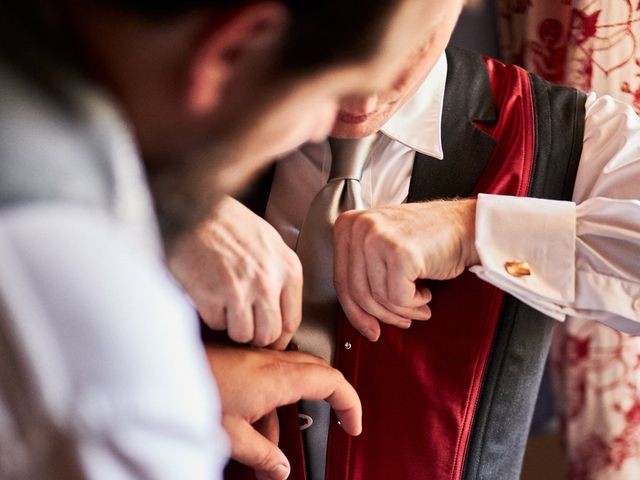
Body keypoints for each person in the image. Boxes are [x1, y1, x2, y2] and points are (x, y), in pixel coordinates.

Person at [174, 0, 640, 478]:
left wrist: (475, 231)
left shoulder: (565, 133)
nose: (362, 103)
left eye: (402, 49)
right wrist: (163, 210)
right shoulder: (163, 110)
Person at [0, 0, 439, 478]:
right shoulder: (112, 370)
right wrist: (166, 396)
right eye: (332, 96)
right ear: (234, 50)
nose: (331, 124)